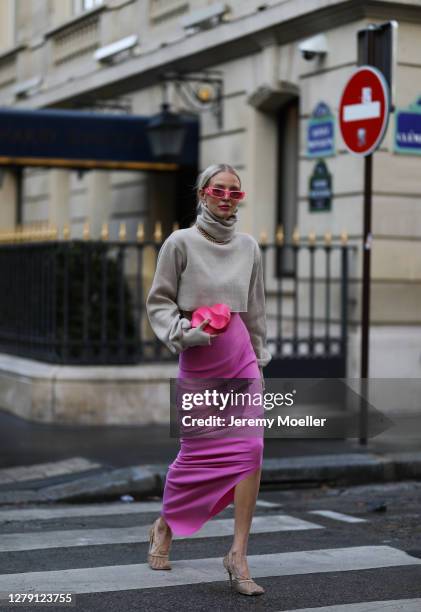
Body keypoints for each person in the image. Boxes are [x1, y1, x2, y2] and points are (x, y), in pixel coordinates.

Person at [145, 163, 272, 596]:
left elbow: (254, 310)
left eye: (234, 192)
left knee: (251, 447)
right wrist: (183, 333)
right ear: (201, 193)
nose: (226, 197)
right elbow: (159, 301)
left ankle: (237, 554)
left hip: (238, 357)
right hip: (199, 357)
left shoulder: (250, 247)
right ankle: (165, 524)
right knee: (194, 457)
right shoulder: (179, 243)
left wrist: (258, 359)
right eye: (218, 189)